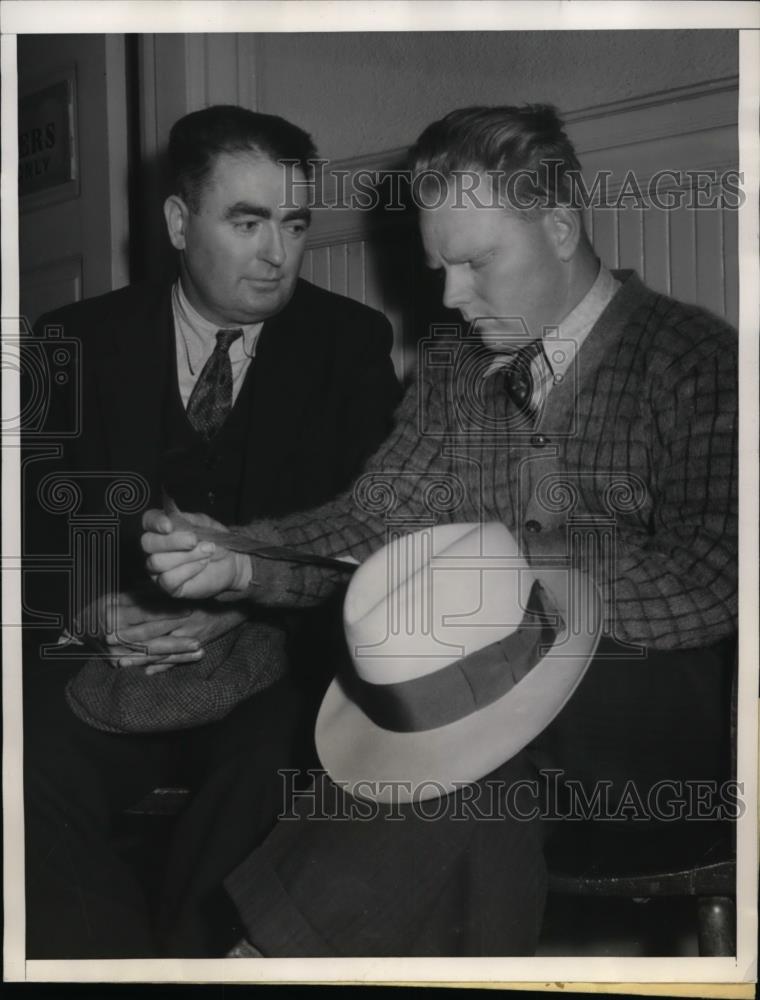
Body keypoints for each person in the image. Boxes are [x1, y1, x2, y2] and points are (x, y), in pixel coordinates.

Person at [141, 104, 738, 956]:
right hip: (501, 734)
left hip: (662, 728)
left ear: (560, 226)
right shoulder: (457, 371)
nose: (451, 297)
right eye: (438, 267)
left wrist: (517, 597)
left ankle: (258, 955)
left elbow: (722, 568)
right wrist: (242, 560)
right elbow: (372, 523)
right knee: (460, 767)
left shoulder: (694, 361)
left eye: (476, 262)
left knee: (454, 733)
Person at [22, 104, 401, 959]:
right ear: (178, 222)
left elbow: (372, 540)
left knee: (276, 769)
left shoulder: (348, 345)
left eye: (294, 223)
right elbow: (25, 525)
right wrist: (95, 608)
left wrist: (240, 600)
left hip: (267, 665)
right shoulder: (73, 342)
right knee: (20, 764)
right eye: (247, 221)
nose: (277, 254)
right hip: (105, 658)